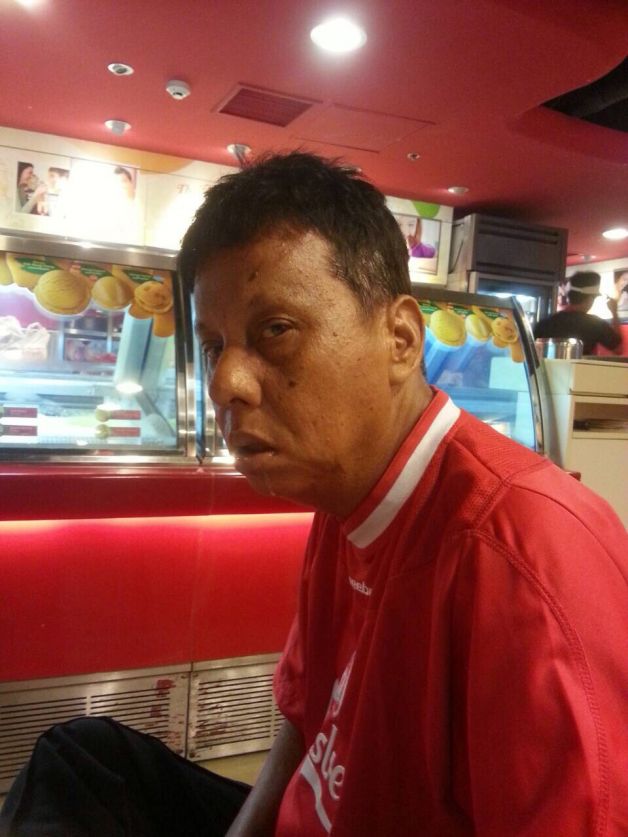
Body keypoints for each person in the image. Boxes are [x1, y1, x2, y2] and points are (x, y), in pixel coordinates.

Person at [1, 152, 628, 836]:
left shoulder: (522, 557)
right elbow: (306, 720)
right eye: (214, 346)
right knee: (78, 755)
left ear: (401, 338)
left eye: (276, 330)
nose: (226, 383)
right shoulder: (344, 497)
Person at [534, 270, 622, 355]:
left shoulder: (545, 323)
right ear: (589, 299)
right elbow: (618, 349)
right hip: (580, 366)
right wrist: (614, 312)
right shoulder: (594, 324)